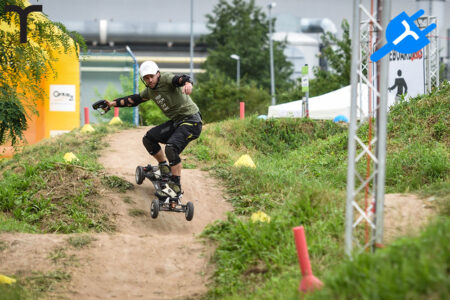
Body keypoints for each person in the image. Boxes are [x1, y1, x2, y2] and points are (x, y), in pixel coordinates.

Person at [103, 61, 202, 196]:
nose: (149, 80)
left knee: (171, 148)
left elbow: (180, 79)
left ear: (158, 74)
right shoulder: (150, 91)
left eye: (151, 77)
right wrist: (113, 103)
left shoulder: (166, 79)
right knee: (149, 138)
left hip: (192, 121)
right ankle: (164, 167)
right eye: (146, 78)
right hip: (177, 122)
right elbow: (135, 99)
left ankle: (175, 187)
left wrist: (188, 83)